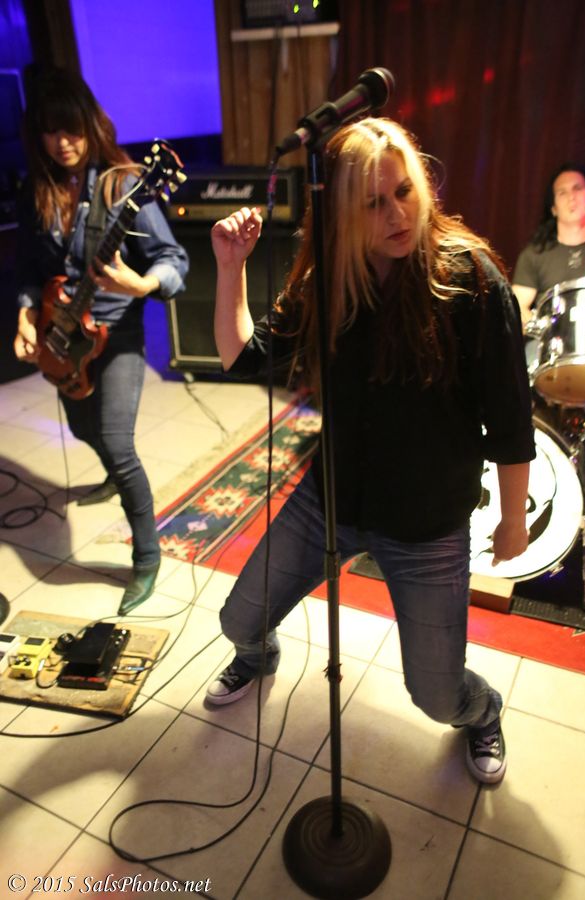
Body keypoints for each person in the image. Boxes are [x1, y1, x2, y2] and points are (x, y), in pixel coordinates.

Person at [204, 117, 535, 785]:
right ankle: (258, 658)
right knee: (237, 619)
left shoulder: (470, 280)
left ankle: (484, 710)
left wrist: (513, 517)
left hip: (426, 524)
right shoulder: (331, 278)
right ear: (344, 214)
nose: (397, 215)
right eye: (374, 203)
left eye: (404, 192)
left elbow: (509, 416)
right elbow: (242, 356)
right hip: (331, 500)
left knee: (436, 696)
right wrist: (230, 266)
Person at [13, 66, 188, 615]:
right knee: (80, 426)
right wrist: (25, 316)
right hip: (64, 332)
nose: (63, 143)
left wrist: (142, 284)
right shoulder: (37, 191)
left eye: (72, 129)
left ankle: (146, 556)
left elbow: (173, 259)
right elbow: (29, 270)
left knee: (115, 439)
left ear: (90, 125)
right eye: (51, 132)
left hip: (118, 331)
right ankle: (113, 477)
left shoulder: (124, 184)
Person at [512, 163, 585, 326]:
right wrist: (540, 329)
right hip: (552, 340)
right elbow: (518, 307)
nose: (571, 197)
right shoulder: (534, 255)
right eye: (562, 192)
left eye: (577, 188)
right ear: (553, 208)